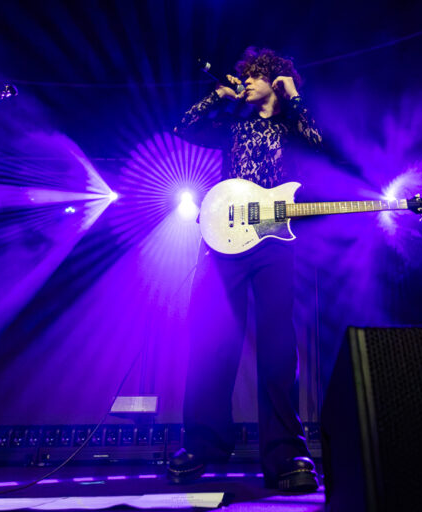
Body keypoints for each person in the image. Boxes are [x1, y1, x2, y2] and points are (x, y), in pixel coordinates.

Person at [168, 47, 322, 492]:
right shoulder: (235, 126)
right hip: (225, 240)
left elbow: (318, 144)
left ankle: (286, 452)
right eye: (246, 75)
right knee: (212, 339)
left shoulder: (291, 126)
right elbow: (183, 127)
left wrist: (293, 96)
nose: (248, 79)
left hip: (275, 241)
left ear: (276, 80)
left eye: (258, 74)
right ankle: (203, 443)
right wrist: (217, 96)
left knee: (278, 347)